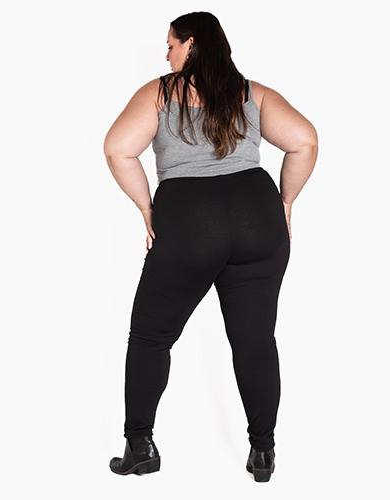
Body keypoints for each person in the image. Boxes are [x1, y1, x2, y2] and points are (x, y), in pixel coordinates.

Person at [103, 11, 318, 482]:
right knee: (255, 341)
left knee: (151, 337)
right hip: (257, 216)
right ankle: (263, 452)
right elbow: (304, 140)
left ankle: (140, 446)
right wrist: (284, 203)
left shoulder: (160, 93)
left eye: (171, 45)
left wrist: (147, 209)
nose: (166, 55)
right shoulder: (251, 92)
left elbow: (118, 148)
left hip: (189, 220)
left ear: (191, 44)